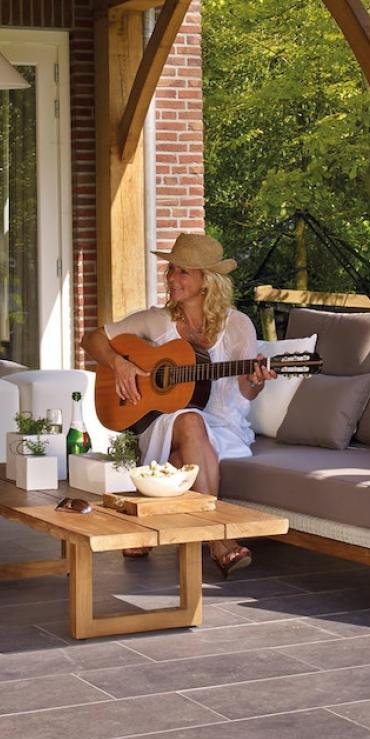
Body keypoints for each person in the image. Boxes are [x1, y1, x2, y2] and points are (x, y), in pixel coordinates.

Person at [81, 233, 276, 578]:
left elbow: (246, 392)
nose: (171, 278)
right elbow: (91, 338)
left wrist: (256, 380)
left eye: (182, 271)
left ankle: (148, 525)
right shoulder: (156, 321)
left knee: (180, 456)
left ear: (207, 281)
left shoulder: (239, 325)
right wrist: (119, 363)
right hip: (163, 423)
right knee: (188, 419)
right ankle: (218, 539)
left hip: (223, 427)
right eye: (171, 269)